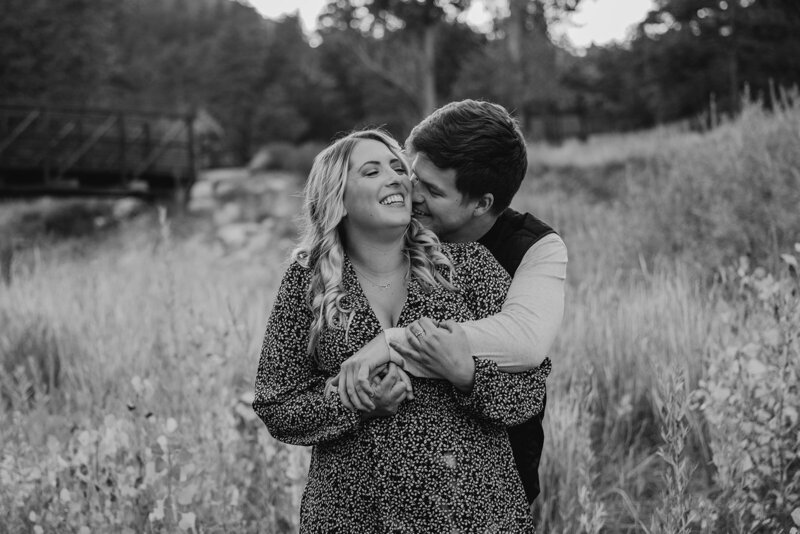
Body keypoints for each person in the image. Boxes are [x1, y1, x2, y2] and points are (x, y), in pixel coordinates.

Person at [252, 128, 550, 533]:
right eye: (371, 171)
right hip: (352, 517)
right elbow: (276, 405)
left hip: (474, 512)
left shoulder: (467, 266)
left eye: (398, 167)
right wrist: (355, 403)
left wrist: (468, 376)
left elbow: (530, 391)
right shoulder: (308, 282)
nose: (396, 177)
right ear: (336, 198)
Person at [335, 100, 568, 505]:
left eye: (433, 190)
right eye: (412, 175)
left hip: (493, 483)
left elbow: (526, 341)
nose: (411, 194)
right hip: (379, 492)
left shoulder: (535, 248)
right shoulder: (390, 228)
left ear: (481, 203)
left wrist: (393, 343)